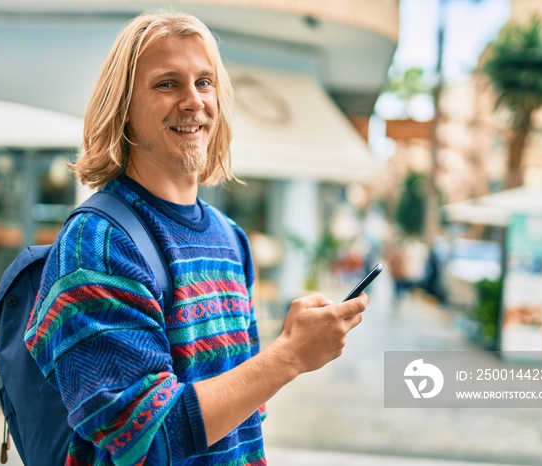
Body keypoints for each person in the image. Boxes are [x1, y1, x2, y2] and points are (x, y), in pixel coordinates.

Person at [25, 9, 368, 465]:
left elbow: (244, 412)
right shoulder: (97, 244)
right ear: (123, 107)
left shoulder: (231, 240)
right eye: (167, 84)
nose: (193, 101)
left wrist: (285, 349)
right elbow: (148, 440)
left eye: (204, 83)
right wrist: (289, 355)